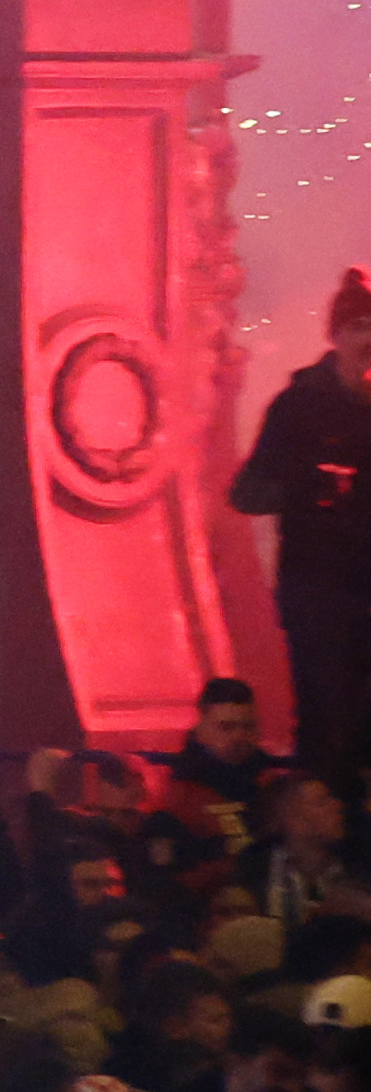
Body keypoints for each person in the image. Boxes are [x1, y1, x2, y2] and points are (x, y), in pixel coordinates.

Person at [236, 269, 371, 758]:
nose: (370, 339)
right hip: (318, 595)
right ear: (334, 335)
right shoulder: (297, 409)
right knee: (325, 720)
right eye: (359, 327)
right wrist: (306, 482)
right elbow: (246, 493)